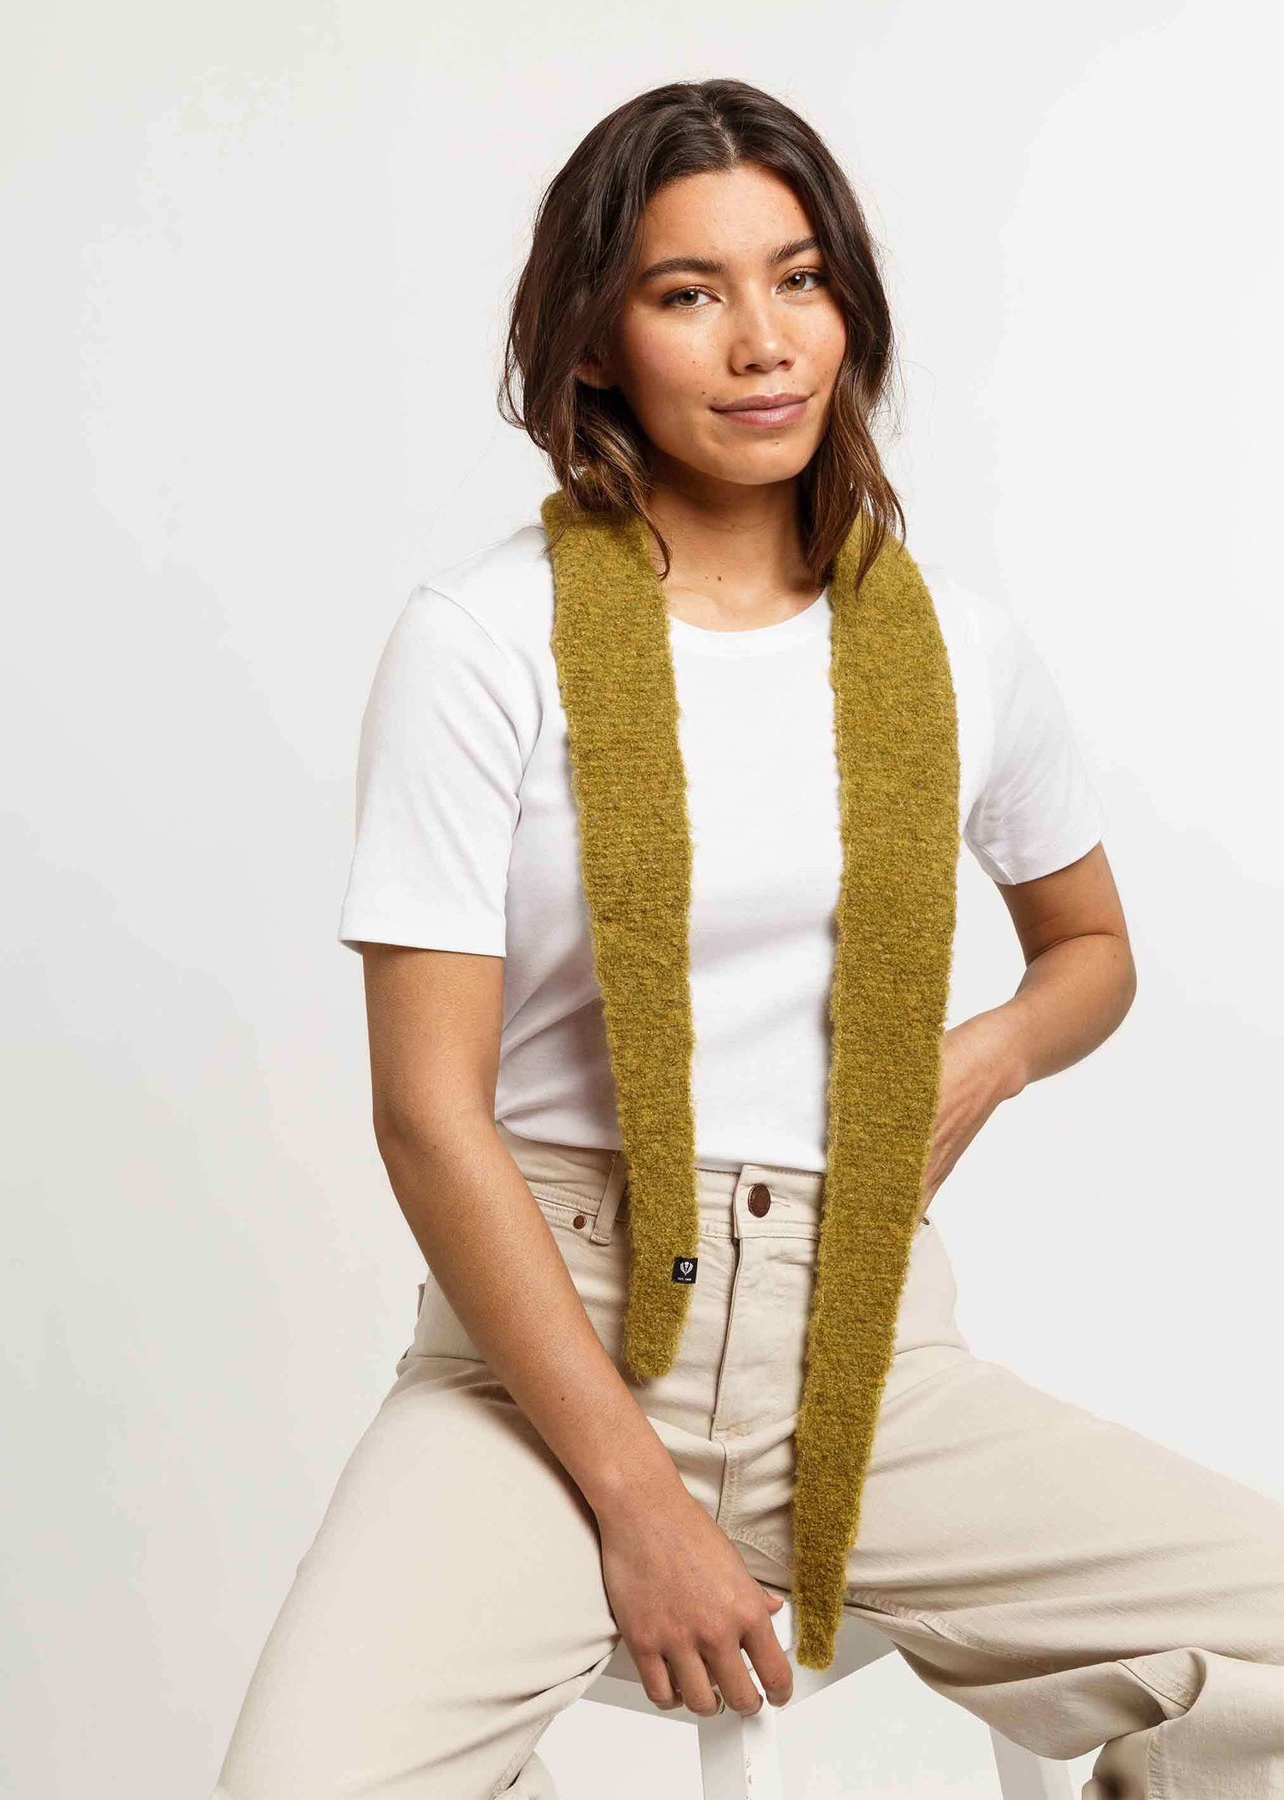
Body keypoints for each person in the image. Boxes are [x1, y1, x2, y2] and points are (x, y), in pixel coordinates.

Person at [209, 78, 1284, 1800]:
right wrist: (638, 1505)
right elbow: (426, 1111)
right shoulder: (481, 643)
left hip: (863, 1350)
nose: (761, 341)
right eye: (686, 292)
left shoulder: (954, 647)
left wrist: (984, 1057)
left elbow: (1089, 947)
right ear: (593, 341)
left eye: (797, 279)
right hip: (544, 1354)